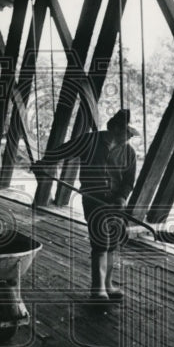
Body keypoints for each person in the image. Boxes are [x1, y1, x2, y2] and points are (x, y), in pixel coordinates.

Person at [31, 109, 138, 301]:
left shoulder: (129, 152)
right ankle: (98, 289)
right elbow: (63, 151)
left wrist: (122, 197)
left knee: (113, 241)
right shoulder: (89, 141)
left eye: (130, 133)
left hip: (115, 201)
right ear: (114, 128)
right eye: (127, 132)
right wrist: (43, 163)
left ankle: (108, 285)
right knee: (100, 240)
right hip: (93, 197)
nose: (129, 137)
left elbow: (129, 180)